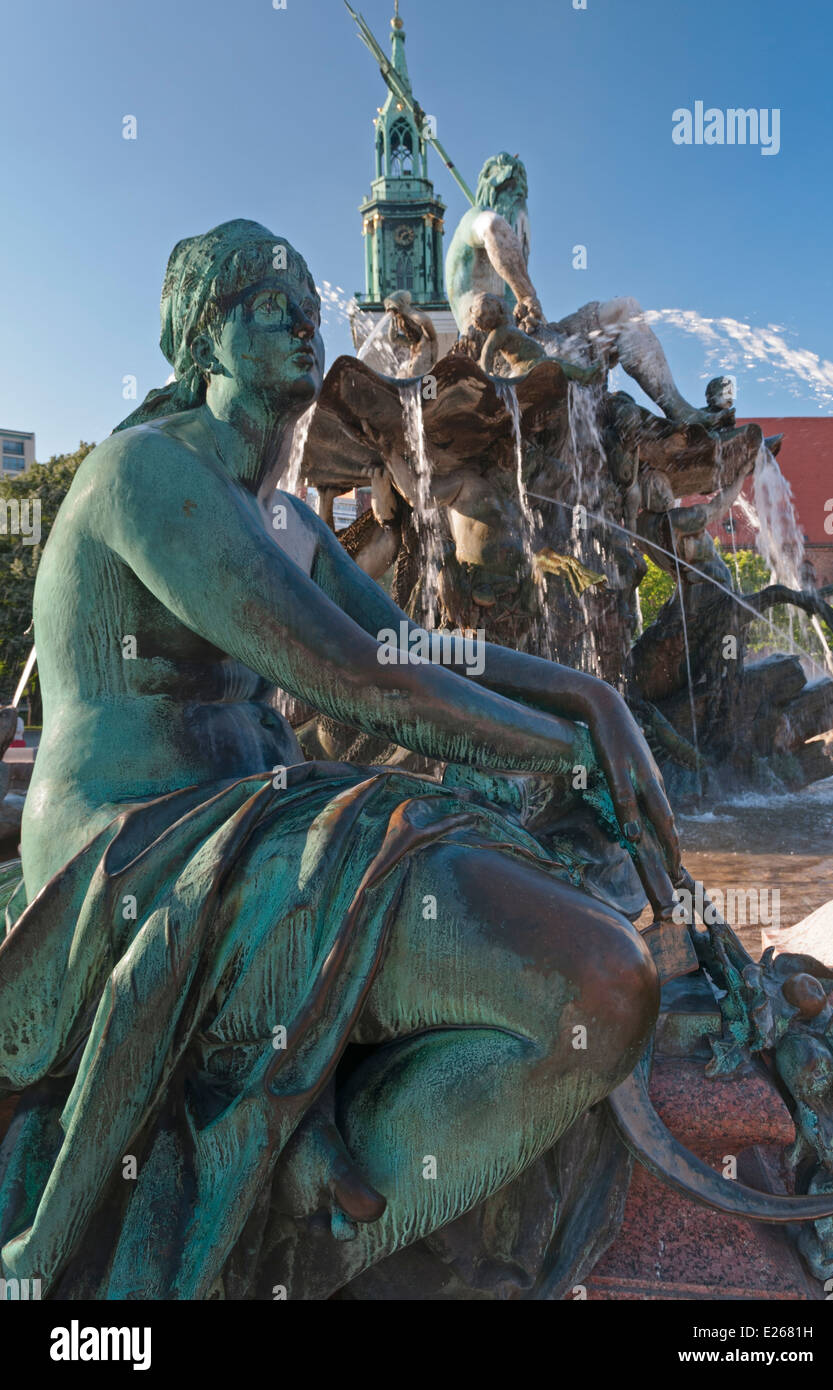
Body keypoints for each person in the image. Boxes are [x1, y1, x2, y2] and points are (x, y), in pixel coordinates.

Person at [1, 220, 680, 1300]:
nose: (300, 318)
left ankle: (319, 1208)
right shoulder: (149, 474)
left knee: (552, 915)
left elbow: (416, 645)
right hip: (131, 853)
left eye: (303, 303)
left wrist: (589, 693)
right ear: (200, 335)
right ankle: (286, 1251)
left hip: (260, 822)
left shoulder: (277, 517)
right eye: (265, 302)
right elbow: (359, 680)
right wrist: (575, 757)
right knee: (595, 983)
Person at [445, 153, 725, 428]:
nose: (518, 201)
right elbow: (494, 229)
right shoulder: (474, 222)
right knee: (566, 356)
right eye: (509, 191)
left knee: (624, 311)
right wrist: (527, 295)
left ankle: (678, 408)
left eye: (521, 196)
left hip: (538, 339)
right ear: (489, 187)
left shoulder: (514, 255)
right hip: (503, 358)